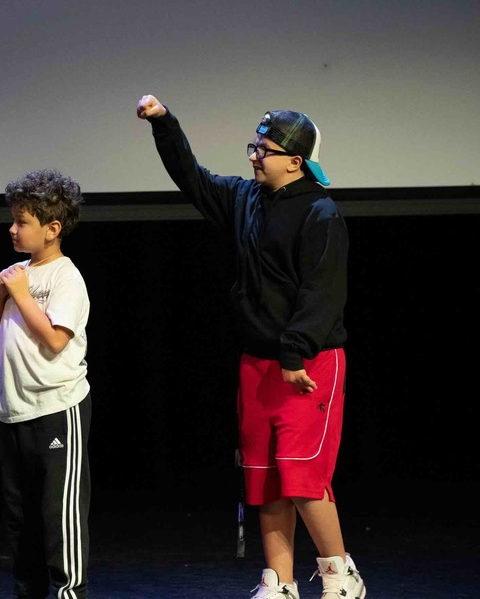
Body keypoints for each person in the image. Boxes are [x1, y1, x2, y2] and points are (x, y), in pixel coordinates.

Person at [136, 95, 366, 599]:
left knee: (304, 478)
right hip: (257, 365)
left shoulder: (320, 213)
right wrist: (164, 124)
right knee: (264, 480)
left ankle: (340, 575)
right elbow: (192, 178)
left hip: (306, 364)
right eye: (254, 147)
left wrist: (292, 353)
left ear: (294, 161)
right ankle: (279, 582)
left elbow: (322, 293)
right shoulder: (246, 199)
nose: (253, 156)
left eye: (263, 149)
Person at [0, 169, 92, 599]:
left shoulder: (66, 277)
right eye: (13, 220)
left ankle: (69, 592)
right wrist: (0, 294)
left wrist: (22, 295)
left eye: (22, 222)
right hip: (14, 411)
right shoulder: (15, 274)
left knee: (58, 515)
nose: (12, 229)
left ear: (52, 229)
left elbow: (53, 340)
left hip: (56, 411)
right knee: (20, 517)